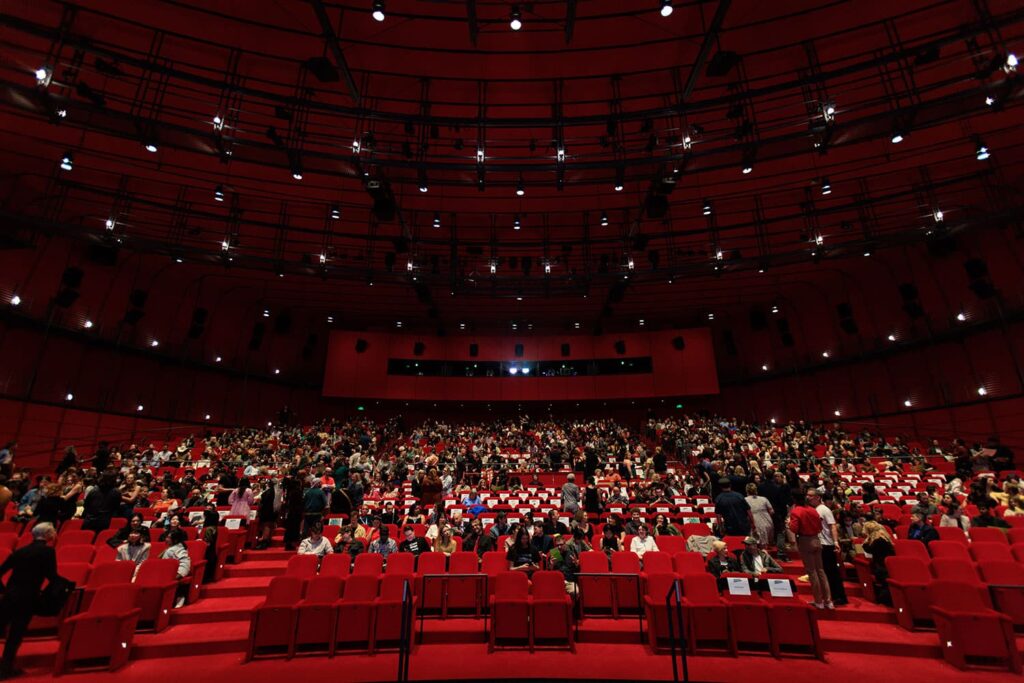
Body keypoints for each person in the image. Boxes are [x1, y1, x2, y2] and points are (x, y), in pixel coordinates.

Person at [0, 522, 59, 678]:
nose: (55, 533)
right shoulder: (48, 552)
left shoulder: (20, 551)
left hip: (10, 596)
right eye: (53, 531)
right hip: (27, 598)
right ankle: (5, 669)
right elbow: (52, 576)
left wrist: (4, 590)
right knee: (15, 636)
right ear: (47, 534)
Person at [788, 488, 832, 609]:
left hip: (805, 540)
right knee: (821, 571)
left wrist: (789, 523)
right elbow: (819, 527)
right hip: (817, 540)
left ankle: (818, 601)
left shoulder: (796, 511)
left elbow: (794, 529)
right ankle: (828, 600)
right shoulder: (813, 510)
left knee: (812, 572)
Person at [808, 489, 848, 606]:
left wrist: (835, 541)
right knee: (822, 572)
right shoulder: (813, 510)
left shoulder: (824, 510)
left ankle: (839, 597)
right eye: (807, 495)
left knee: (831, 572)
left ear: (818, 497)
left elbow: (832, 526)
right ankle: (826, 597)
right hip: (818, 543)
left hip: (827, 544)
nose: (808, 498)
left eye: (811, 496)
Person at [861, 521, 895, 605]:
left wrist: (866, 541)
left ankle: (883, 599)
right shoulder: (884, 538)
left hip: (882, 568)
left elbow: (867, 549)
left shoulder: (878, 541)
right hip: (886, 567)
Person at [160, 528, 192, 608]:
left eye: (169, 537)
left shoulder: (178, 550)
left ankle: (180, 596)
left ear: (175, 540)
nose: (166, 539)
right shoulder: (170, 549)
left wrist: (177, 575)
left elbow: (185, 564)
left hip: (172, 575)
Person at [745, 483, 774, 547]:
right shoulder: (764, 499)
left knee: (753, 544)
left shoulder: (744, 500)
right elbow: (772, 511)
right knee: (764, 545)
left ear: (746, 490)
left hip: (753, 522)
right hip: (766, 521)